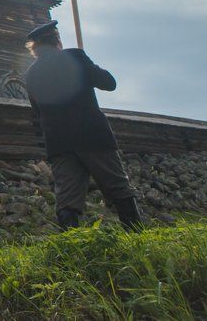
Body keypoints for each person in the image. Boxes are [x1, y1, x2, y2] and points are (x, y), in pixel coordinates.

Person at [24, 20, 141, 230]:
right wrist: (88, 65)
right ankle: (137, 237)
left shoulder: (31, 74)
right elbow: (109, 83)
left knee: (67, 199)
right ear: (57, 40)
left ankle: (73, 245)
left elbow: (37, 111)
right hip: (92, 136)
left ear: (35, 48)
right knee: (118, 187)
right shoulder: (75, 57)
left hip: (59, 143)